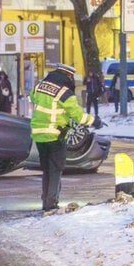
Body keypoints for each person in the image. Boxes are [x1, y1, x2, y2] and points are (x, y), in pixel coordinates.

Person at [29, 63, 102, 213]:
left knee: (47, 170)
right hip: (55, 135)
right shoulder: (65, 93)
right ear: (68, 76)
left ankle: (46, 202)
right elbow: (78, 115)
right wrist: (94, 121)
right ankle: (51, 205)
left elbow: (33, 98)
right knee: (56, 169)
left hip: (38, 134)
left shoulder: (39, 86)